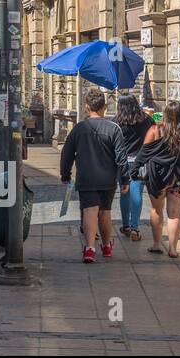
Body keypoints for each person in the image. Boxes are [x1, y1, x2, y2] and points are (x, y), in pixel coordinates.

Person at [59, 87, 125, 264]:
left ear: (87, 107)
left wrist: (65, 174)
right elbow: (121, 157)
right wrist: (124, 179)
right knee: (105, 212)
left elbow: (66, 153)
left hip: (86, 177)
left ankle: (89, 249)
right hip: (107, 178)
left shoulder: (79, 129)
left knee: (89, 210)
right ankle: (106, 246)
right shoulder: (114, 129)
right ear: (104, 106)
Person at [130, 100, 180, 258]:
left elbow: (144, 152)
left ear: (165, 115)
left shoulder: (155, 130)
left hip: (158, 177)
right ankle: (173, 249)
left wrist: (134, 170)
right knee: (174, 214)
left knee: (156, 210)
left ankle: (156, 244)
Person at [114, 93, 154, 242]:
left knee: (124, 192)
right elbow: (155, 131)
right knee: (136, 193)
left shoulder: (116, 122)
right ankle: (135, 228)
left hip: (122, 163)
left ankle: (125, 226)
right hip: (140, 162)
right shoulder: (145, 119)